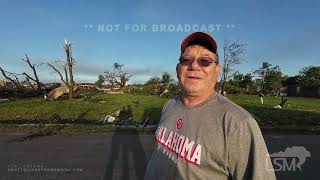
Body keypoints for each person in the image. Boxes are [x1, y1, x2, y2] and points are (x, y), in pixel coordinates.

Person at [144, 32, 276, 180]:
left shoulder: (237, 123)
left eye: (205, 61)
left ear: (217, 71)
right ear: (177, 69)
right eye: (186, 60)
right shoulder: (169, 105)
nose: (194, 65)